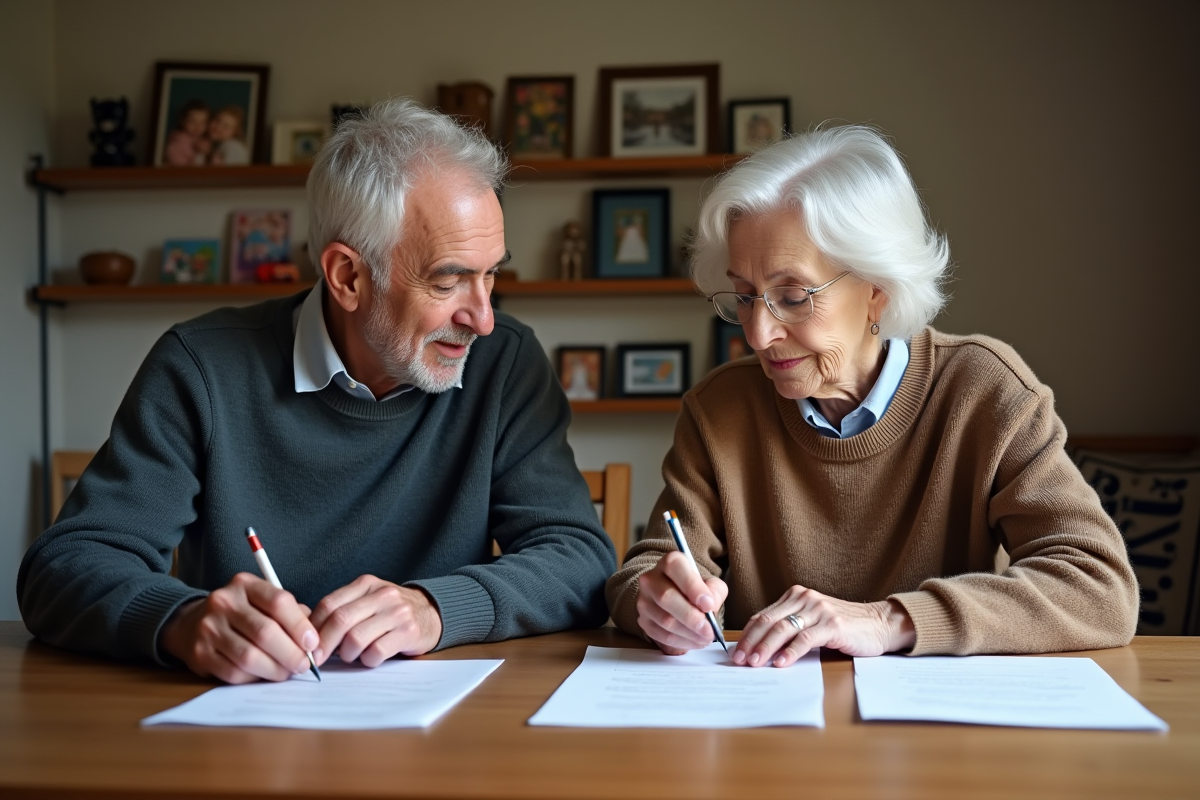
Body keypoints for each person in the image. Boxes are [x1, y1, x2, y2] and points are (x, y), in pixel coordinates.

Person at [19, 98, 615, 684]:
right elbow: (64, 567)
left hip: (446, 734)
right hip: (240, 732)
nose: (482, 319)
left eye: (491, 275)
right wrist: (180, 620)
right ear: (347, 277)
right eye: (448, 281)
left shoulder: (505, 362)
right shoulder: (201, 366)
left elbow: (579, 558)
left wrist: (436, 610)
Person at [605, 125, 1138, 668]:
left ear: (878, 290)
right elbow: (651, 566)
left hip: (928, 736)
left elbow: (1099, 587)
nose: (758, 333)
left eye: (792, 296)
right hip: (764, 726)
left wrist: (890, 619)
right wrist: (654, 600)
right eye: (744, 296)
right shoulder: (720, 409)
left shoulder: (985, 391)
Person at [164, 99, 211, 166]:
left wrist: (208, 154)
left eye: (202, 122)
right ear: (183, 121)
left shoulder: (205, 140)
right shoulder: (179, 140)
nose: (198, 126)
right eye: (192, 121)